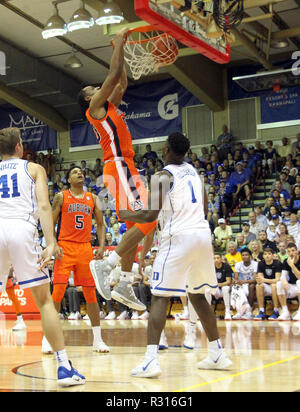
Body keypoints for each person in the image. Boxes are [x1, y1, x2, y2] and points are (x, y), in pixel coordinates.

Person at [119, 132, 232, 377]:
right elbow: (203, 208)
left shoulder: (162, 175)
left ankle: (150, 360)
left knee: (159, 297)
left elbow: (149, 216)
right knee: (198, 295)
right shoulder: (194, 173)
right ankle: (217, 353)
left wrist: (126, 215)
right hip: (202, 235)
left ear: (167, 149)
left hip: (178, 238)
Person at [78, 27, 155, 311]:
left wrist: (118, 48)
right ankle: (107, 264)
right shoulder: (95, 108)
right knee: (149, 216)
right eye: (93, 90)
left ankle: (123, 281)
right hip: (119, 166)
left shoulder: (109, 105)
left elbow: (120, 81)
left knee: (140, 225)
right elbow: (111, 78)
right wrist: (119, 43)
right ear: (89, 99)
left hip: (124, 167)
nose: (99, 89)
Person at [0, 127, 85, 387]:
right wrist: (50, 242)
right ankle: (62, 366)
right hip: (22, 228)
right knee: (45, 301)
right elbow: (45, 206)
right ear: (19, 148)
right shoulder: (34, 168)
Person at [42, 165, 109, 354]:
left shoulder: (93, 198)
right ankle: (48, 339)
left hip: (85, 249)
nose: (79, 173)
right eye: (74, 172)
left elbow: (101, 225)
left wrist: (102, 246)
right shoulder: (61, 197)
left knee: (90, 294)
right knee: (58, 293)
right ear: (68, 180)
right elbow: (50, 223)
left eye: (81, 172)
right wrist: (53, 244)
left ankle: (98, 340)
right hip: (65, 247)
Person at [254, 248, 281, 321]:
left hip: (276, 286)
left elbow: (277, 279)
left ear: (272, 255)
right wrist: (263, 280)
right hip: (266, 286)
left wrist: (264, 280)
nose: (267, 256)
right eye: (265, 254)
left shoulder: (277, 263)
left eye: (269, 254)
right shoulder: (260, 263)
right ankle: (261, 311)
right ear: (263, 256)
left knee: (274, 285)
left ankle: (276, 311)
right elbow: (260, 279)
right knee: (258, 286)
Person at [276, 243, 300, 321]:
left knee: (299, 282)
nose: (291, 253)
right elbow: (283, 276)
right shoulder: (286, 261)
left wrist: (292, 265)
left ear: (297, 251)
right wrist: (284, 282)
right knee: (279, 284)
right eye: (289, 251)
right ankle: (285, 311)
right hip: (293, 287)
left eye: (293, 250)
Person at [205, 255, 232, 320]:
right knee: (207, 290)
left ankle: (227, 312)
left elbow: (228, 281)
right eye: (214, 258)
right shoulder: (210, 267)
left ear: (221, 259)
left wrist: (218, 285)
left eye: (218, 258)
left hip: (223, 290)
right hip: (215, 289)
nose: (216, 260)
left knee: (225, 288)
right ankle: (207, 312)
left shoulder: (226, 266)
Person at [233, 248, 257, 319]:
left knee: (252, 286)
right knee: (235, 286)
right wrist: (238, 282)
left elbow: (255, 279)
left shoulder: (255, 264)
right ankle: (239, 311)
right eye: (243, 255)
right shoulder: (238, 264)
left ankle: (249, 310)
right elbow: (236, 278)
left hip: (251, 283)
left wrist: (244, 281)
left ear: (250, 256)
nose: (244, 256)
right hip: (243, 283)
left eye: (246, 255)